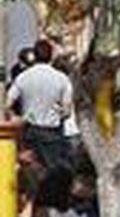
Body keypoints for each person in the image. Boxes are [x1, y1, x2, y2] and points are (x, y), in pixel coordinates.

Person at [7, 41, 73, 172]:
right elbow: (67, 112)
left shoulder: (23, 77)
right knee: (53, 172)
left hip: (29, 132)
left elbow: (7, 103)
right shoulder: (62, 78)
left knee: (31, 171)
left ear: (35, 56)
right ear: (51, 56)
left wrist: (15, 117)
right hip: (52, 134)